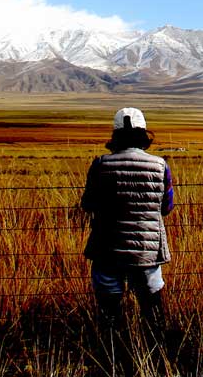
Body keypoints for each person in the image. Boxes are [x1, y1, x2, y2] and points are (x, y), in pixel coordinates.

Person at [81, 107, 175, 375]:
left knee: (109, 310)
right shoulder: (160, 166)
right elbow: (166, 206)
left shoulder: (101, 164)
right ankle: (158, 359)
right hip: (147, 249)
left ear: (115, 134)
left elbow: (88, 203)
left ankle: (111, 359)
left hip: (107, 248)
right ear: (144, 133)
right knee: (151, 305)